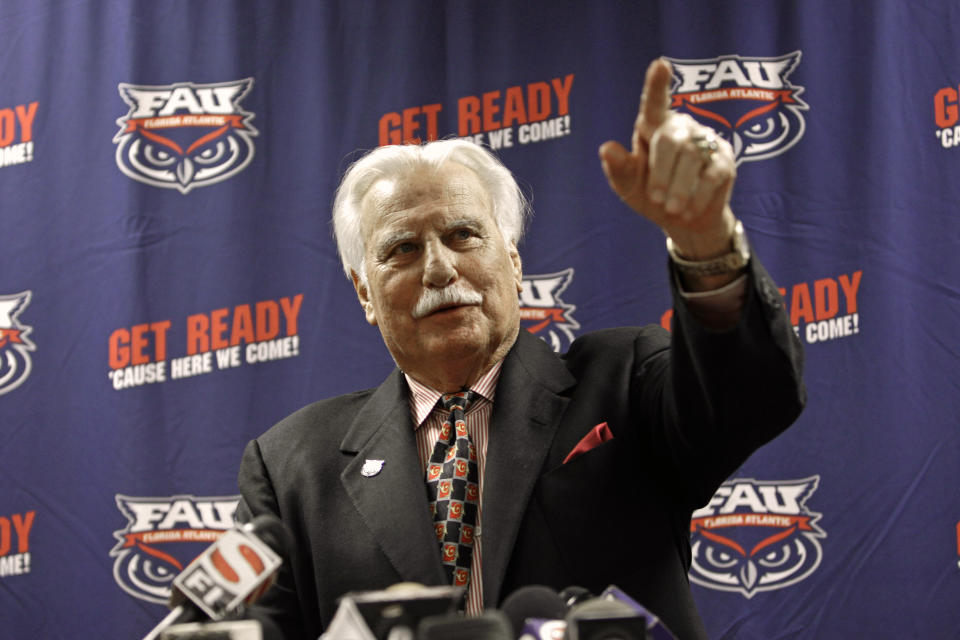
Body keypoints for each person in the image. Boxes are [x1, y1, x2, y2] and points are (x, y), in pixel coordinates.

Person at [236, 59, 805, 640]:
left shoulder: (623, 380)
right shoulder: (291, 469)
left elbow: (750, 397)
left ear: (512, 258)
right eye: (402, 249)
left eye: (462, 235)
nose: (438, 268)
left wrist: (704, 239)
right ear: (365, 293)